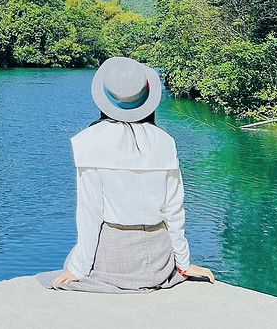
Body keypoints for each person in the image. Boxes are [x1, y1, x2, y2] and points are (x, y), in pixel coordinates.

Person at [41, 56, 215, 292]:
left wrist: (78, 269)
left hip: (113, 257)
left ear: (105, 99)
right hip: (159, 259)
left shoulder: (89, 141)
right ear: (146, 99)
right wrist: (182, 265)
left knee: (72, 261)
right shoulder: (165, 141)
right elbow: (174, 211)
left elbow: (90, 213)